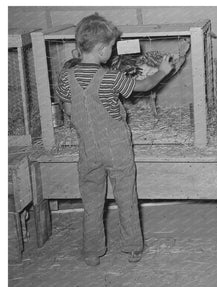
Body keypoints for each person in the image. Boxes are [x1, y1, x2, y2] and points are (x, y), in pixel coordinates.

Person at [56, 13, 173, 266]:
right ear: (100, 50)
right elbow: (143, 86)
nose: (112, 51)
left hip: (87, 149)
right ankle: (132, 248)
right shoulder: (111, 77)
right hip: (116, 147)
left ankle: (91, 252)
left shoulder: (66, 77)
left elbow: (66, 107)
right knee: (126, 197)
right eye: (110, 46)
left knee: (91, 201)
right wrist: (162, 71)